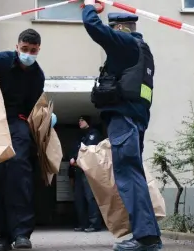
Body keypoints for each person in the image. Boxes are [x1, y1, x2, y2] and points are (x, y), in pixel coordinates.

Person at [0, 28, 56, 251]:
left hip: (18, 121)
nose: (28, 54)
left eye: (33, 50)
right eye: (24, 49)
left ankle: (21, 233)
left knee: (19, 171)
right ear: (17, 47)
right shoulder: (0, 61)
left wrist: (45, 118)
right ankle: (2, 235)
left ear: (38, 50)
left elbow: (33, 107)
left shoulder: (38, 76)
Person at [81, 1, 162, 251]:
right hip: (134, 118)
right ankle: (149, 235)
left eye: (114, 29)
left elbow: (93, 27)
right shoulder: (143, 51)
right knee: (133, 174)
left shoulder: (126, 44)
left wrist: (88, 7)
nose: (112, 33)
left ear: (120, 28)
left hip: (124, 118)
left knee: (128, 174)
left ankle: (146, 238)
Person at [68, 116, 103, 233]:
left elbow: (89, 150)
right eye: (78, 120)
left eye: (82, 120)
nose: (80, 122)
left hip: (89, 171)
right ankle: (83, 224)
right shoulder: (79, 136)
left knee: (90, 197)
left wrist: (76, 159)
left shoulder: (94, 134)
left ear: (88, 121)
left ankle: (95, 224)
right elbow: (74, 150)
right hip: (78, 171)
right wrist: (72, 158)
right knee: (79, 198)